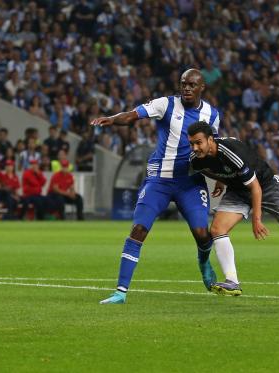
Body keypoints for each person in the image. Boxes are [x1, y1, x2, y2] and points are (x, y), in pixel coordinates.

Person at [91, 69, 220, 304]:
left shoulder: (212, 114)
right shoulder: (165, 104)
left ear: (202, 88)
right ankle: (120, 291)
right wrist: (112, 119)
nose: (187, 88)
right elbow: (132, 115)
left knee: (202, 234)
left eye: (192, 85)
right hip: (159, 180)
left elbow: (213, 150)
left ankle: (204, 263)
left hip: (189, 182)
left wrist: (221, 176)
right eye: (183, 84)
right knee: (139, 229)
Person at [187, 121, 279, 295]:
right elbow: (213, 168)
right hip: (238, 191)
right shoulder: (196, 159)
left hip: (265, 186)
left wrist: (256, 220)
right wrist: (221, 180)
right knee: (217, 229)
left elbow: (256, 188)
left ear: (210, 140)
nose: (195, 148)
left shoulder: (231, 152)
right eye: (192, 143)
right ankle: (232, 281)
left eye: (199, 142)